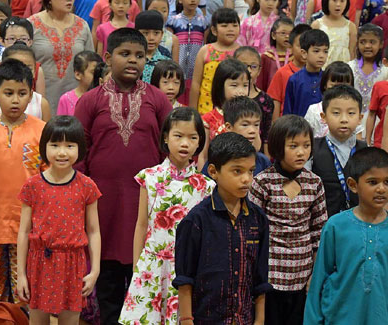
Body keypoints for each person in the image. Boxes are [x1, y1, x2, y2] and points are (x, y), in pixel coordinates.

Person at [74, 28, 172, 324]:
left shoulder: (158, 100)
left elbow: (171, 147)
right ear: (108, 57)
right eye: (124, 54)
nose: (133, 61)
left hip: (146, 205)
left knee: (144, 279)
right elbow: (78, 153)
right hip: (103, 205)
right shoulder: (90, 101)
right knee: (108, 281)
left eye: (140, 56)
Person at [119, 107, 215, 324]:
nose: (185, 143)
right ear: (165, 137)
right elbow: (141, 225)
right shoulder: (149, 177)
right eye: (178, 136)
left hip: (189, 271)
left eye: (192, 137)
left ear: (200, 142)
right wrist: (137, 267)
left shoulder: (206, 186)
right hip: (152, 267)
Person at [174, 132, 272, 325]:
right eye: (237, 171)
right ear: (213, 171)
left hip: (244, 319)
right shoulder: (196, 221)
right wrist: (186, 320)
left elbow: (261, 279)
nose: (246, 179)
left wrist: (259, 320)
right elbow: (185, 279)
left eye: (251, 171)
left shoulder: (258, 219)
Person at [0, 59, 45, 303]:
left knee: (24, 287)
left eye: (22, 93)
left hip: (27, 224)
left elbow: (47, 179)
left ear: (31, 95)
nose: (15, 100)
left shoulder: (41, 130)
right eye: (8, 93)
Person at [17, 115, 102, 323]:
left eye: (69, 145)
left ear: (79, 148)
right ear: (44, 147)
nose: (62, 152)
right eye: (55, 145)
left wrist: (95, 270)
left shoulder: (87, 186)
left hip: (73, 264)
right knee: (37, 320)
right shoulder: (32, 186)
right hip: (39, 263)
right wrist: (20, 273)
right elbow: (23, 231)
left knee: (70, 320)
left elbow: (93, 231)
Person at [249, 115, 328, 325]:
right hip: (270, 275)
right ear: (277, 146)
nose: (301, 152)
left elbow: (319, 231)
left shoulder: (315, 183)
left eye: (306, 145)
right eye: (293, 146)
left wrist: (314, 275)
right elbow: (252, 230)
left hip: (302, 275)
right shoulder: (262, 182)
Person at [304, 147, 388, 324]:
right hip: (339, 318)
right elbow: (319, 278)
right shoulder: (336, 226)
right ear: (353, 185)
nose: (381, 188)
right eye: (373, 182)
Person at [307, 85, 367, 217]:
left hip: (358, 222)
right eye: (336, 113)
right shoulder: (311, 148)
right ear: (323, 117)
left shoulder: (366, 151)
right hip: (321, 222)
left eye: (351, 113)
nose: (344, 119)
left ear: (360, 118)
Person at [29, 0, 94, 115]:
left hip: (76, 102)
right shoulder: (32, 24)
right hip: (40, 100)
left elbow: (91, 64)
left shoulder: (82, 25)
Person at [197, 58, 250, 167]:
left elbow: (257, 147)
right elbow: (203, 155)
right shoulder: (208, 119)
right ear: (220, 86)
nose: (241, 91)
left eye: (245, 85)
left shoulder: (250, 115)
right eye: (234, 85)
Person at [201, 96, 272, 176]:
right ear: (228, 127)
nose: (252, 130)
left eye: (256, 124)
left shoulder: (263, 162)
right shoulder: (217, 159)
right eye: (245, 125)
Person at [0, 44, 51, 122]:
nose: (21, 71)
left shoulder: (41, 104)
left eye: (28, 67)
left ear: (35, 71)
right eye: (9, 93)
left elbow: (47, 132)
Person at [189, 8, 241, 114]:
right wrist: (193, 112)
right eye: (224, 26)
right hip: (206, 108)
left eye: (235, 25)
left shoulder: (241, 52)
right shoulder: (205, 50)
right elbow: (195, 83)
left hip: (234, 110)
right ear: (214, 30)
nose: (230, 29)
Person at [234, 46, 274, 153]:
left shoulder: (265, 100)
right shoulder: (229, 97)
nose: (248, 70)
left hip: (256, 153)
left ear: (259, 70)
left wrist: (267, 158)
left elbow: (266, 134)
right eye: (243, 65)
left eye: (253, 66)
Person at [348, 24, 388, 131]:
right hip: (352, 119)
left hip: (377, 122)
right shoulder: (350, 67)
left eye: (372, 42)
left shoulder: (386, 71)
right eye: (363, 42)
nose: (367, 46)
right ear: (357, 43)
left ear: (381, 44)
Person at [269, 23, 311, 121]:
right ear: (291, 47)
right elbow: (276, 103)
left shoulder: (319, 74)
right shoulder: (282, 73)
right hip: (288, 126)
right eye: (300, 46)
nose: (304, 50)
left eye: (308, 46)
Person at [283, 29, 329, 117]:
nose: (321, 55)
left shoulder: (327, 79)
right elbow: (288, 112)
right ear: (304, 53)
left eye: (325, 51)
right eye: (316, 51)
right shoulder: (295, 80)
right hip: (300, 128)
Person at [170, 0, 208, 106]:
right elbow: (170, 46)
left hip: (196, 69)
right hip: (178, 70)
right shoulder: (173, 21)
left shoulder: (204, 22)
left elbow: (206, 45)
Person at [304, 61, 355, 138]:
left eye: (344, 85)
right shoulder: (314, 110)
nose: (339, 89)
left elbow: (358, 139)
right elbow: (306, 136)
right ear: (325, 85)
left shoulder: (353, 110)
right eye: (334, 85)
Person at [311, 0, 356, 66]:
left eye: (342, 1)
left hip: (343, 71)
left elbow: (352, 53)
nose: (338, 4)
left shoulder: (351, 27)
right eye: (334, 1)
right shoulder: (317, 25)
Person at [57, 50, 102, 116]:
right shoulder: (65, 100)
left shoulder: (105, 97)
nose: (98, 76)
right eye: (93, 72)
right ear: (78, 74)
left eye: (100, 72)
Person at [258, 17, 293, 91]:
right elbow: (261, 83)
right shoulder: (266, 57)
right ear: (273, 35)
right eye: (283, 33)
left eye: (291, 34)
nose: (287, 36)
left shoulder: (294, 57)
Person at [136, 10, 170, 83]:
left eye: (156, 33)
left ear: (162, 34)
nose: (151, 38)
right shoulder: (131, 57)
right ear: (136, 34)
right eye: (145, 33)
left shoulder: (165, 56)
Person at [367, 44, 388, 148]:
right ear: (386, 62)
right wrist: (367, 142)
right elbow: (372, 114)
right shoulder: (380, 87)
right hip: (381, 141)